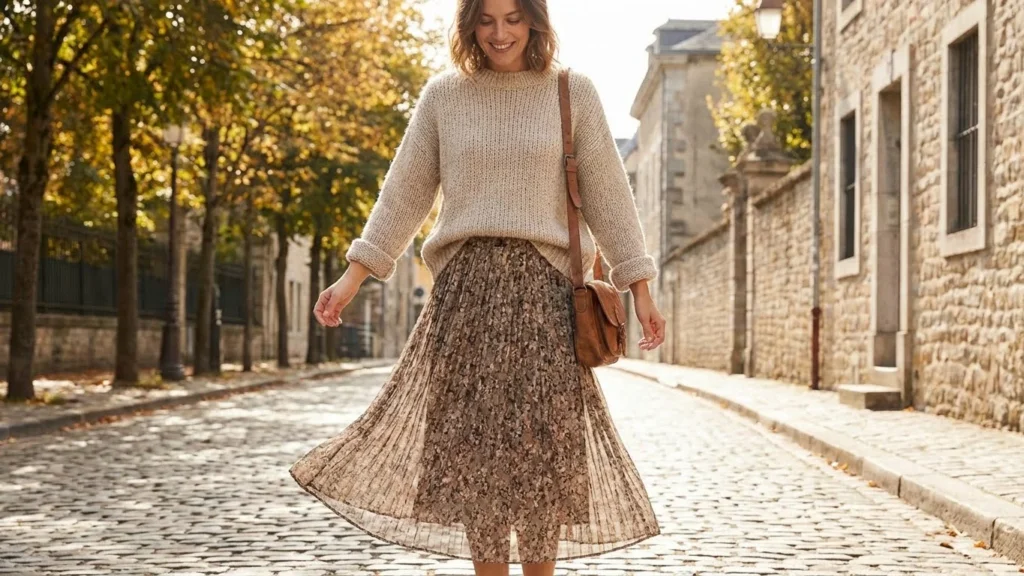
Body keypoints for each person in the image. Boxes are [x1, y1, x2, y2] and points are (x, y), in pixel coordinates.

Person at [290, 0, 667, 574]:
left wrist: (639, 288)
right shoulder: (444, 95)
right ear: (468, 25)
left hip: (547, 302)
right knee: (475, 471)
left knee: (543, 473)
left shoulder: (573, 91)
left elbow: (609, 198)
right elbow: (404, 194)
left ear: (534, 21)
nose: (499, 33)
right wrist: (353, 277)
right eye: (486, 20)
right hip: (464, 302)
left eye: (512, 18)